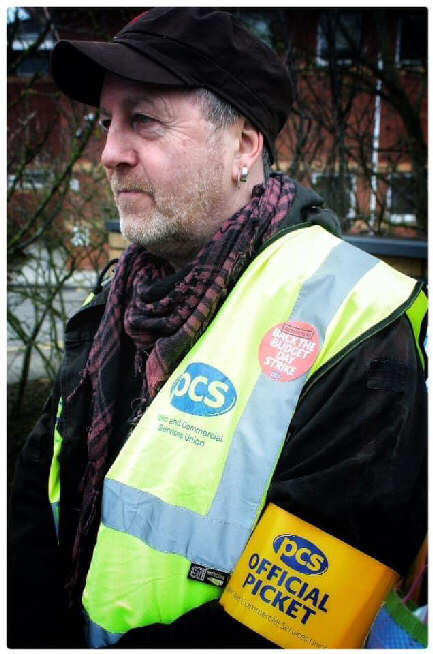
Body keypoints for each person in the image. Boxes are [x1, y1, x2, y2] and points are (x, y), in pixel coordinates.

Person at [9, 7, 427, 649]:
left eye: (142, 120)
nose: (109, 154)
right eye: (107, 124)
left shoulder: (356, 320)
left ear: (243, 145)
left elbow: (285, 627)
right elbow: (37, 502)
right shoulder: (118, 298)